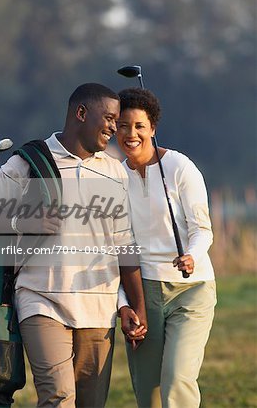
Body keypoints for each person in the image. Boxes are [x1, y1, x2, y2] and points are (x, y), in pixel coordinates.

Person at [0, 83, 147, 408]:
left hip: (98, 308)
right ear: (81, 113)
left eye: (116, 120)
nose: (113, 127)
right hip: (41, 300)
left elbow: (124, 243)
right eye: (108, 118)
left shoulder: (114, 172)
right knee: (58, 396)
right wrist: (23, 223)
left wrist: (135, 304)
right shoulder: (30, 160)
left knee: (90, 404)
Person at [116, 87, 216, 408]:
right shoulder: (113, 176)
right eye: (122, 126)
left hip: (192, 288)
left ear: (153, 129)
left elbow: (203, 230)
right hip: (143, 293)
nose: (131, 134)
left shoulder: (180, 168)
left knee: (176, 380)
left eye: (139, 126)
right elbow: (117, 249)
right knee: (149, 392)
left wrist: (191, 256)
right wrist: (124, 303)